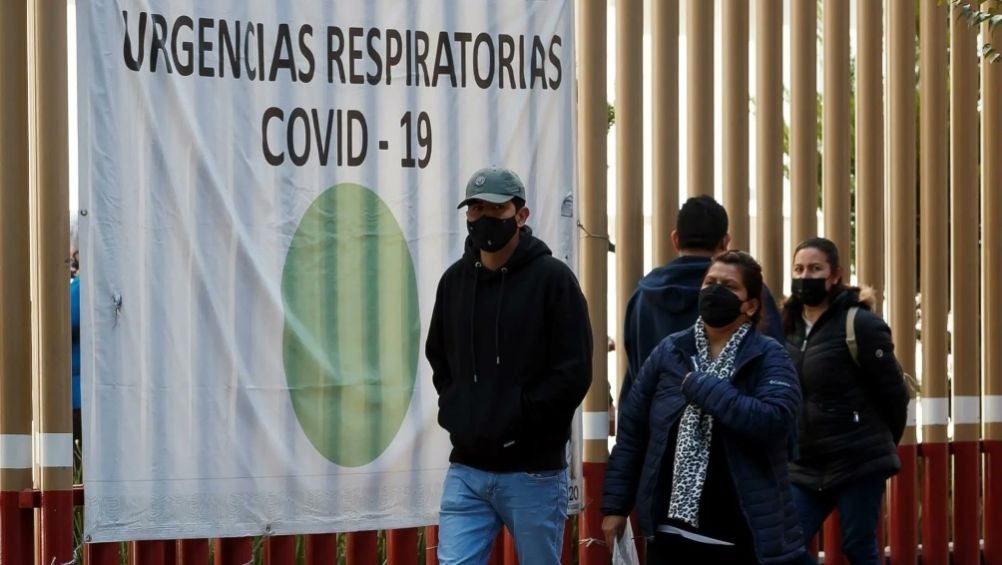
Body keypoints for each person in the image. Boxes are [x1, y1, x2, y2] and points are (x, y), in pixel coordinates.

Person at [426, 166, 592, 564]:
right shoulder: (454, 282)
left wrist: (519, 416)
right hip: (467, 468)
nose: (484, 217)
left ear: (521, 215)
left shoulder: (553, 280)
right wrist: (460, 409)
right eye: (476, 209)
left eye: (496, 209)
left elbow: (574, 372)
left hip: (533, 472)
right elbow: (439, 358)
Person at [602, 250, 804, 564]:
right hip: (669, 534)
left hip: (738, 535)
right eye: (710, 282)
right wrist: (615, 506)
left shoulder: (768, 356)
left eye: (729, 286)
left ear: (750, 306)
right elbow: (633, 432)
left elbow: (775, 421)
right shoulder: (671, 351)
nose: (715, 291)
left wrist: (702, 387)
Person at [784, 238, 909, 565]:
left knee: (858, 546)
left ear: (835, 275)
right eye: (798, 269)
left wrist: (877, 444)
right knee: (782, 546)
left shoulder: (861, 324)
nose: (805, 276)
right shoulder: (785, 327)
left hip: (858, 461)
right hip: (804, 465)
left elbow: (895, 394)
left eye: (815, 269)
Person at [620, 195, 785, 403]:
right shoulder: (750, 292)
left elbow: (634, 373)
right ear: (725, 242)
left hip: (658, 418)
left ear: (675, 239)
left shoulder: (642, 297)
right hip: (734, 417)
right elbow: (776, 364)